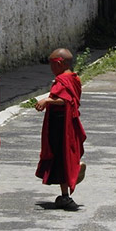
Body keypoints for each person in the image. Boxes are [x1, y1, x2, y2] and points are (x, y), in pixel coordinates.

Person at [34, 48, 87, 211]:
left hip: (62, 125)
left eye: (53, 65)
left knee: (62, 157)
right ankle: (67, 188)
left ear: (60, 63)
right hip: (65, 122)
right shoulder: (74, 78)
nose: (51, 69)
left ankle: (68, 188)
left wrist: (47, 101)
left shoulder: (64, 79)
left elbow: (67, 100)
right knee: (63, 157)